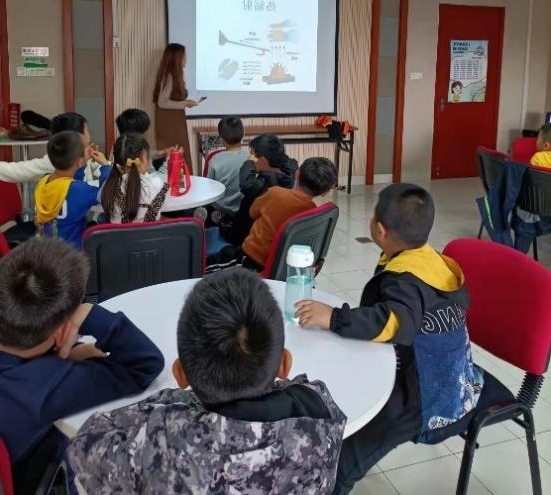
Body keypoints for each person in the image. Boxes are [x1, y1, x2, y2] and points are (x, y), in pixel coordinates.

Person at [66, 268, 346, 494]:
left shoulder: (155, 440)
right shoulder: (320, 411)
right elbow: (297, 387)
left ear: (180, 374)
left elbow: (81, 447)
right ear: (284, 364)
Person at [295, 183, 484, 494]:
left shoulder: (406, 280)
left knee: (341, 462)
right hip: (441, 369)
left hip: (426, 394)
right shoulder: (427, 260)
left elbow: (396, 322)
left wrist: (334, 317)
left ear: (380, 230)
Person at [0, 238, 164, 494]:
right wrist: (90, 314)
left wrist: (63, 354)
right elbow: (144, 364)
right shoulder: (45, 384)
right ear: (61, 332)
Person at [207, 157, 337, 272]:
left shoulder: (275, 193)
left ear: (297, 174)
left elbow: (252, 213)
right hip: (280, 266)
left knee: (204, 266)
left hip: (250, 260)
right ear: (325, 192)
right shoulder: (313, 213)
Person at [34, 131, 110, 248]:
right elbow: (106, 190)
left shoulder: (43, 182)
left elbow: (69, 181)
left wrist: (82, 163)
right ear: (79, 161)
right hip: (72, 254)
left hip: (46, 250)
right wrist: (105, 165)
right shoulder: (78, 190)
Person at [219, 133, 298, 245]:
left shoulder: (266, 186)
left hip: (248, 236)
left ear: (263, 160)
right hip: (275, 233)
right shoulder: (289, 175)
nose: (250, 157)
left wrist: (250, 164)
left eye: (252, 155)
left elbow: (247, 185)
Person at [0, 111, 98, 183]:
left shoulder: (87, 154)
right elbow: (18, 171)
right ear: (78, 136)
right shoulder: (57, 160)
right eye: (87, 130)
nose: (89, 134)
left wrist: (95, 162)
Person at [101, 133, 169, 223]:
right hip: (151, 232)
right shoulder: (158, 183)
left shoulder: (108, 186)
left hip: (118, 232)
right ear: (144, 158)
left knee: (101, 218)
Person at [152, 43, 199, 170]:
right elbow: (162, 102)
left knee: (178, 153)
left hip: (174, 119)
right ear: (177, 58)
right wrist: (185, 103)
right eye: (184, 56)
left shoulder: (173, 74)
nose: (186, 59)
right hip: (170, 122)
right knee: (175, 154)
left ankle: (178, 178)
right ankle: (176, 179)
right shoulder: (169, 75)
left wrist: (186, 101)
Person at [207, 116, 248, 217]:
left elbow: (209, 189)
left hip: (221, 210)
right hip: (247, 211)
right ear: (243, 134)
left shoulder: (215, 160)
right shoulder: (253, 157)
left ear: (221, 139)